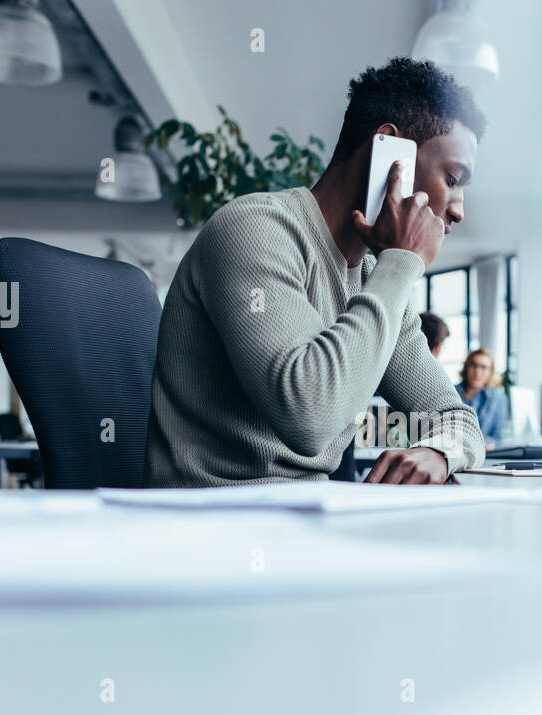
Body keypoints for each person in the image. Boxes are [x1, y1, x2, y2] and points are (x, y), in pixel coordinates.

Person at [144, 57, 486, 487]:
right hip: (214, 527)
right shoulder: (254, 229)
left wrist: (438, 450)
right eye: (453, 178)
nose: (457, 210)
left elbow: (457, 419)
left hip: (305, 522)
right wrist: (402, 263)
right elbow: (309, 418)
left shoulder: (373, 278)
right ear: (390, 153)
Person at [456, 348, 507, 450]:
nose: (477, 371)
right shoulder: (451, 392)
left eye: (483, 367)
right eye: (474, 365)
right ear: (466, 367)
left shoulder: (498, 398)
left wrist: (488, 443)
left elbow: (497, 437)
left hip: (483, 453)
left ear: (490, 372)